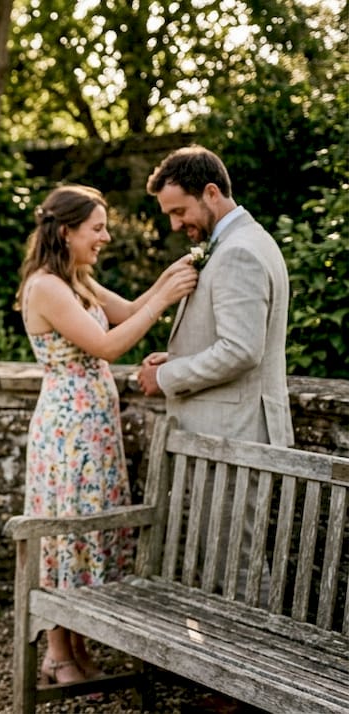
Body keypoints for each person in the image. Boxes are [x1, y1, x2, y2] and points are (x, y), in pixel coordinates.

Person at [16, 185, 197, 686]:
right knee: (67, 528)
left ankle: (77, 644)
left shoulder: (77, 280)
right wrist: (165, 297)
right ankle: (56, 653)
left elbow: (130, 309)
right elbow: (108, 344)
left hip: (95, 430)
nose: (105, 237)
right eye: (97, 228)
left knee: (92, 528)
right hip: (67, 432)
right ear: (65, 231)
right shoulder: (46, 287)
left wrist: (174, 274)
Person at [138, 145, 293, 603]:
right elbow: (230, 338)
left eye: (179, 211)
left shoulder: (239, 252)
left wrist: (167, 378)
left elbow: (241, 350)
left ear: (210, 192)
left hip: (235, 434)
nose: (174, 225)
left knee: (239, 569)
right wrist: (175, 358)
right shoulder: (237, 243)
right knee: (228, 562)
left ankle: (255, 649)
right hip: (227, 433)